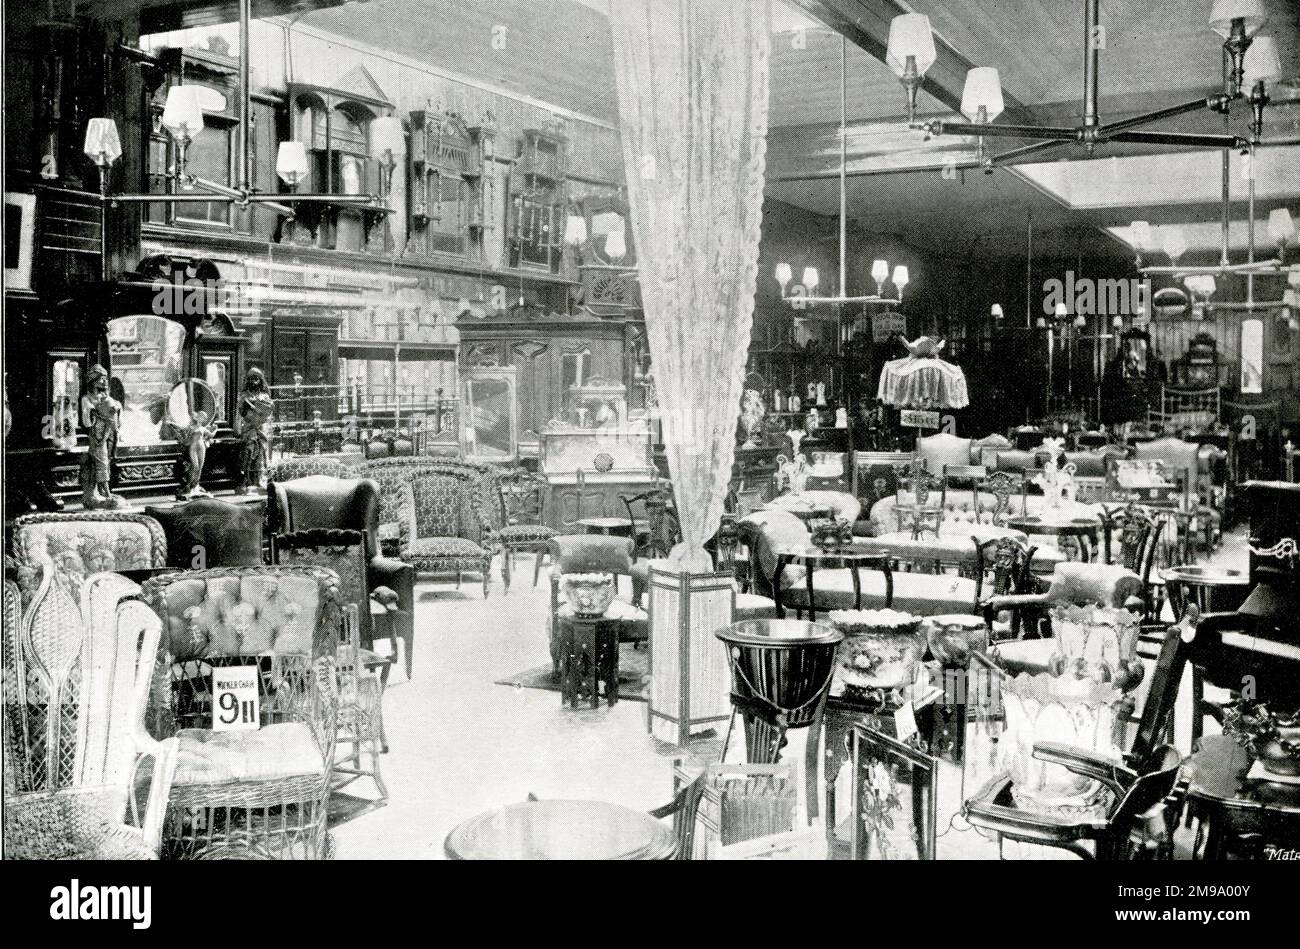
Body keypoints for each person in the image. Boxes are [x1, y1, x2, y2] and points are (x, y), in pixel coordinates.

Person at [79, 365, 121, 509]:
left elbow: (113, 415)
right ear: (93, 381)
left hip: (108, 434)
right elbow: (87, 421)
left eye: (105, 379)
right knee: (101, 461)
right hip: (97, 436)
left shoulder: (106, 397)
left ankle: (103, 492)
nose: (104, 382)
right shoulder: (87, 398)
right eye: (101, 379)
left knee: (106, 462)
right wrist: (97, 411)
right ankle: (105, 493)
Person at [236, 367, 274, 494]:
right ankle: (245, 481)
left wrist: (260, 409)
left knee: (261, 455)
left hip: (261, 428)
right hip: (249, 428)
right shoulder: (244, 395)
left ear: (261, 380)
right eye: (251, 379)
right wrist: (247, 406)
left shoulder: (264, 395)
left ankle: (258, 481)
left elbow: (268, 409)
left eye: (256, 379)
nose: (254, 381)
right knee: (248, 453)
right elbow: (241, 411)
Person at [175, 408, 218, 499]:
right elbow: (186, 439)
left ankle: (196, 486)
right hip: (193, 447)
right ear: (197, 417)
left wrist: (215, 429)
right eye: (200, 416)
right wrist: (182, 439)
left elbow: (211, 435)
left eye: (203, 418)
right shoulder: (192, 428)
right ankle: (189, 485)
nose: (201, 419)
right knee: (195, 466)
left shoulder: (203, 429)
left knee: (200, 467)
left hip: (201, 447)